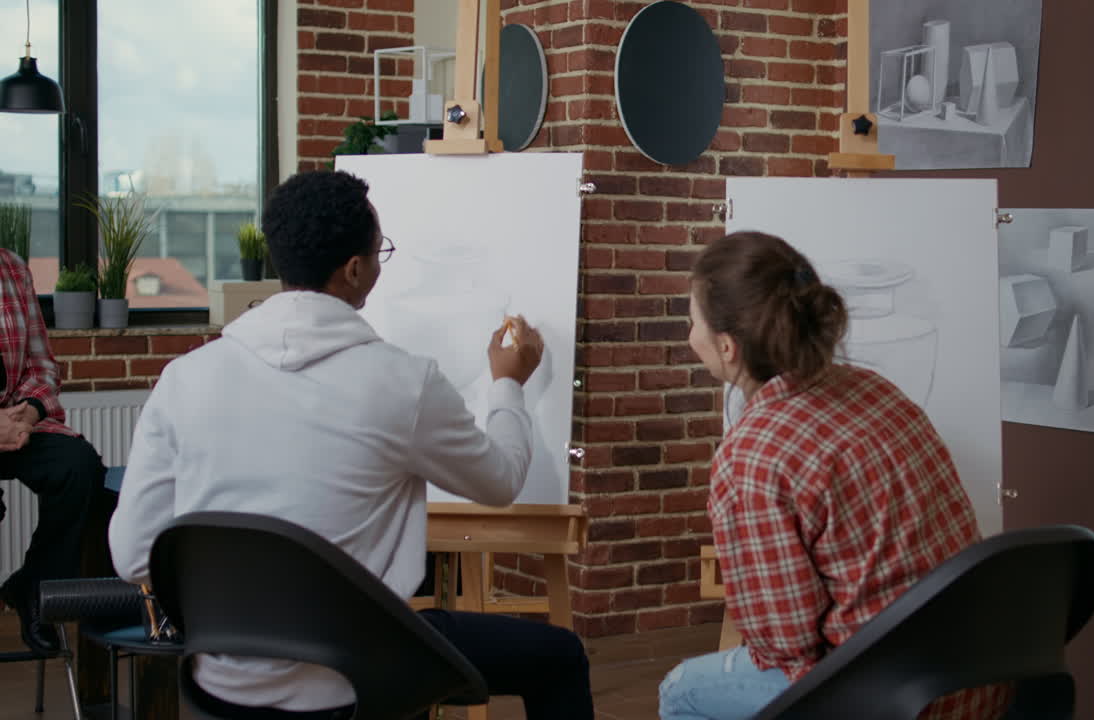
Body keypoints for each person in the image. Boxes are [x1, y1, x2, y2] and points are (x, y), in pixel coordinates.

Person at [107, 170, 593, 719]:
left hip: (220, 689)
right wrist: (507, 383)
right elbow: (501, 480)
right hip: (354, 684)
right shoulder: (402, 382)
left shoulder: (185, 378)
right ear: (355, 269)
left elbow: (132, 553)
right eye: (380, 252)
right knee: (559, 656)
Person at [658, 232, 1008, 720]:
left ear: (727, 346)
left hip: (896, 699)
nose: (689, 336)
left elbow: (786, 643)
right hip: (982, 676)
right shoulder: (875, 389)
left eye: (692, 321)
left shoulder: (751, 456)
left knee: (681, 690)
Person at [0, 247, 105, 654]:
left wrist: (27, 413)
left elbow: (41, 365)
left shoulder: (12, 268)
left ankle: (37, 589)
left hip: (16, 419)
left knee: (79, 466)